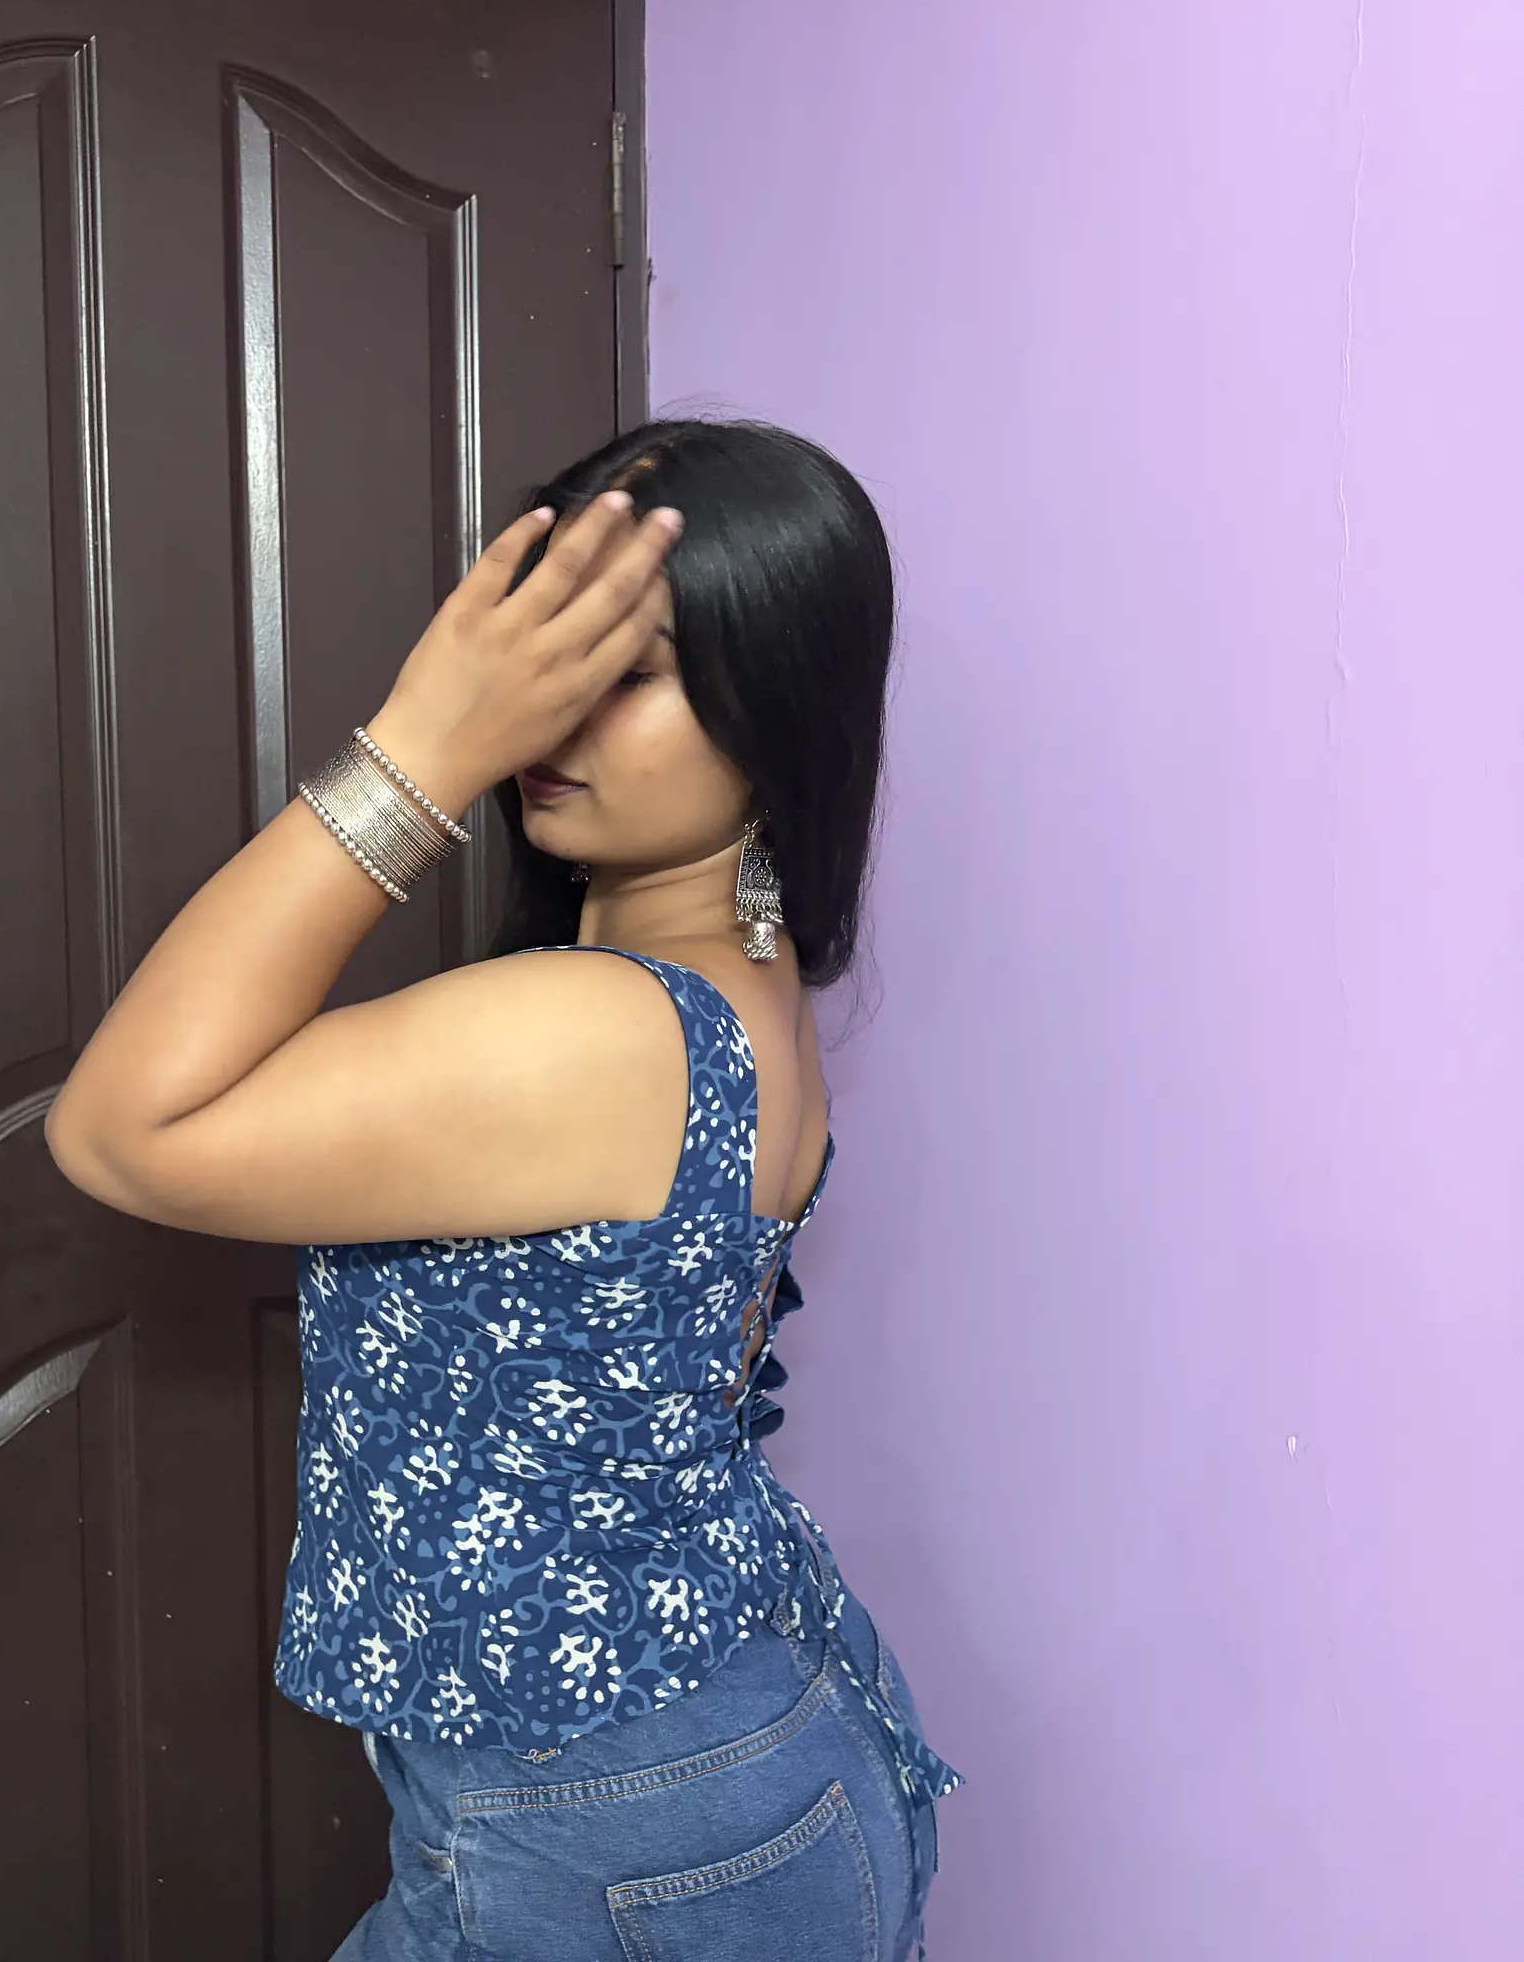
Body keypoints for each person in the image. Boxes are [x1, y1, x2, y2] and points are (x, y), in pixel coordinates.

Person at [47, 419, 958, 1960]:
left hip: (633, 1820)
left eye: (625, 667)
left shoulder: (604, 1032)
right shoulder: (732, 981)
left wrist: (421, 753)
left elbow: (124, 1128)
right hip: (726, 1752)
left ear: (777, 702)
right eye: (541, 652)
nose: (549, 709)